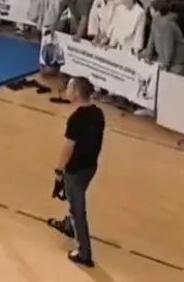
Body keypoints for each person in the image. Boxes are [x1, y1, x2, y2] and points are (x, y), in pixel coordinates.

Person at [49, 77, 105, 268]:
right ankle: (69, 225)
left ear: (77, 92)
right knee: (76, 198)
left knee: (78, 209)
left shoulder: (76, 119)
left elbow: (68, 148)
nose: (66, 90)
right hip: (90, 167)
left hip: (75, 169)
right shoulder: (98, 113)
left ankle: (84, 253)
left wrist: (59, 170)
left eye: (69, 88)